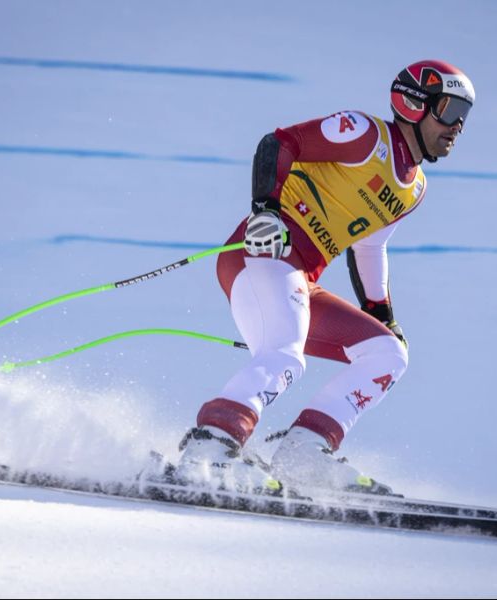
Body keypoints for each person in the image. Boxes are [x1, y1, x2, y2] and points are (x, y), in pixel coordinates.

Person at [175, 60, 476, 494]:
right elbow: (280, 143)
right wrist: (265, 211)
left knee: (388, 354)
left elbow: (370, 247)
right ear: (413, 104)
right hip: (262, 252)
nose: (457, 127)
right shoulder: (364, 135)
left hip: (298, 276)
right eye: (449, 111)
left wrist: (382, 316)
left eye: (464, 118)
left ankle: (304, 453)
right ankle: (211, 449)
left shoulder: (414, 188)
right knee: (284, 355)